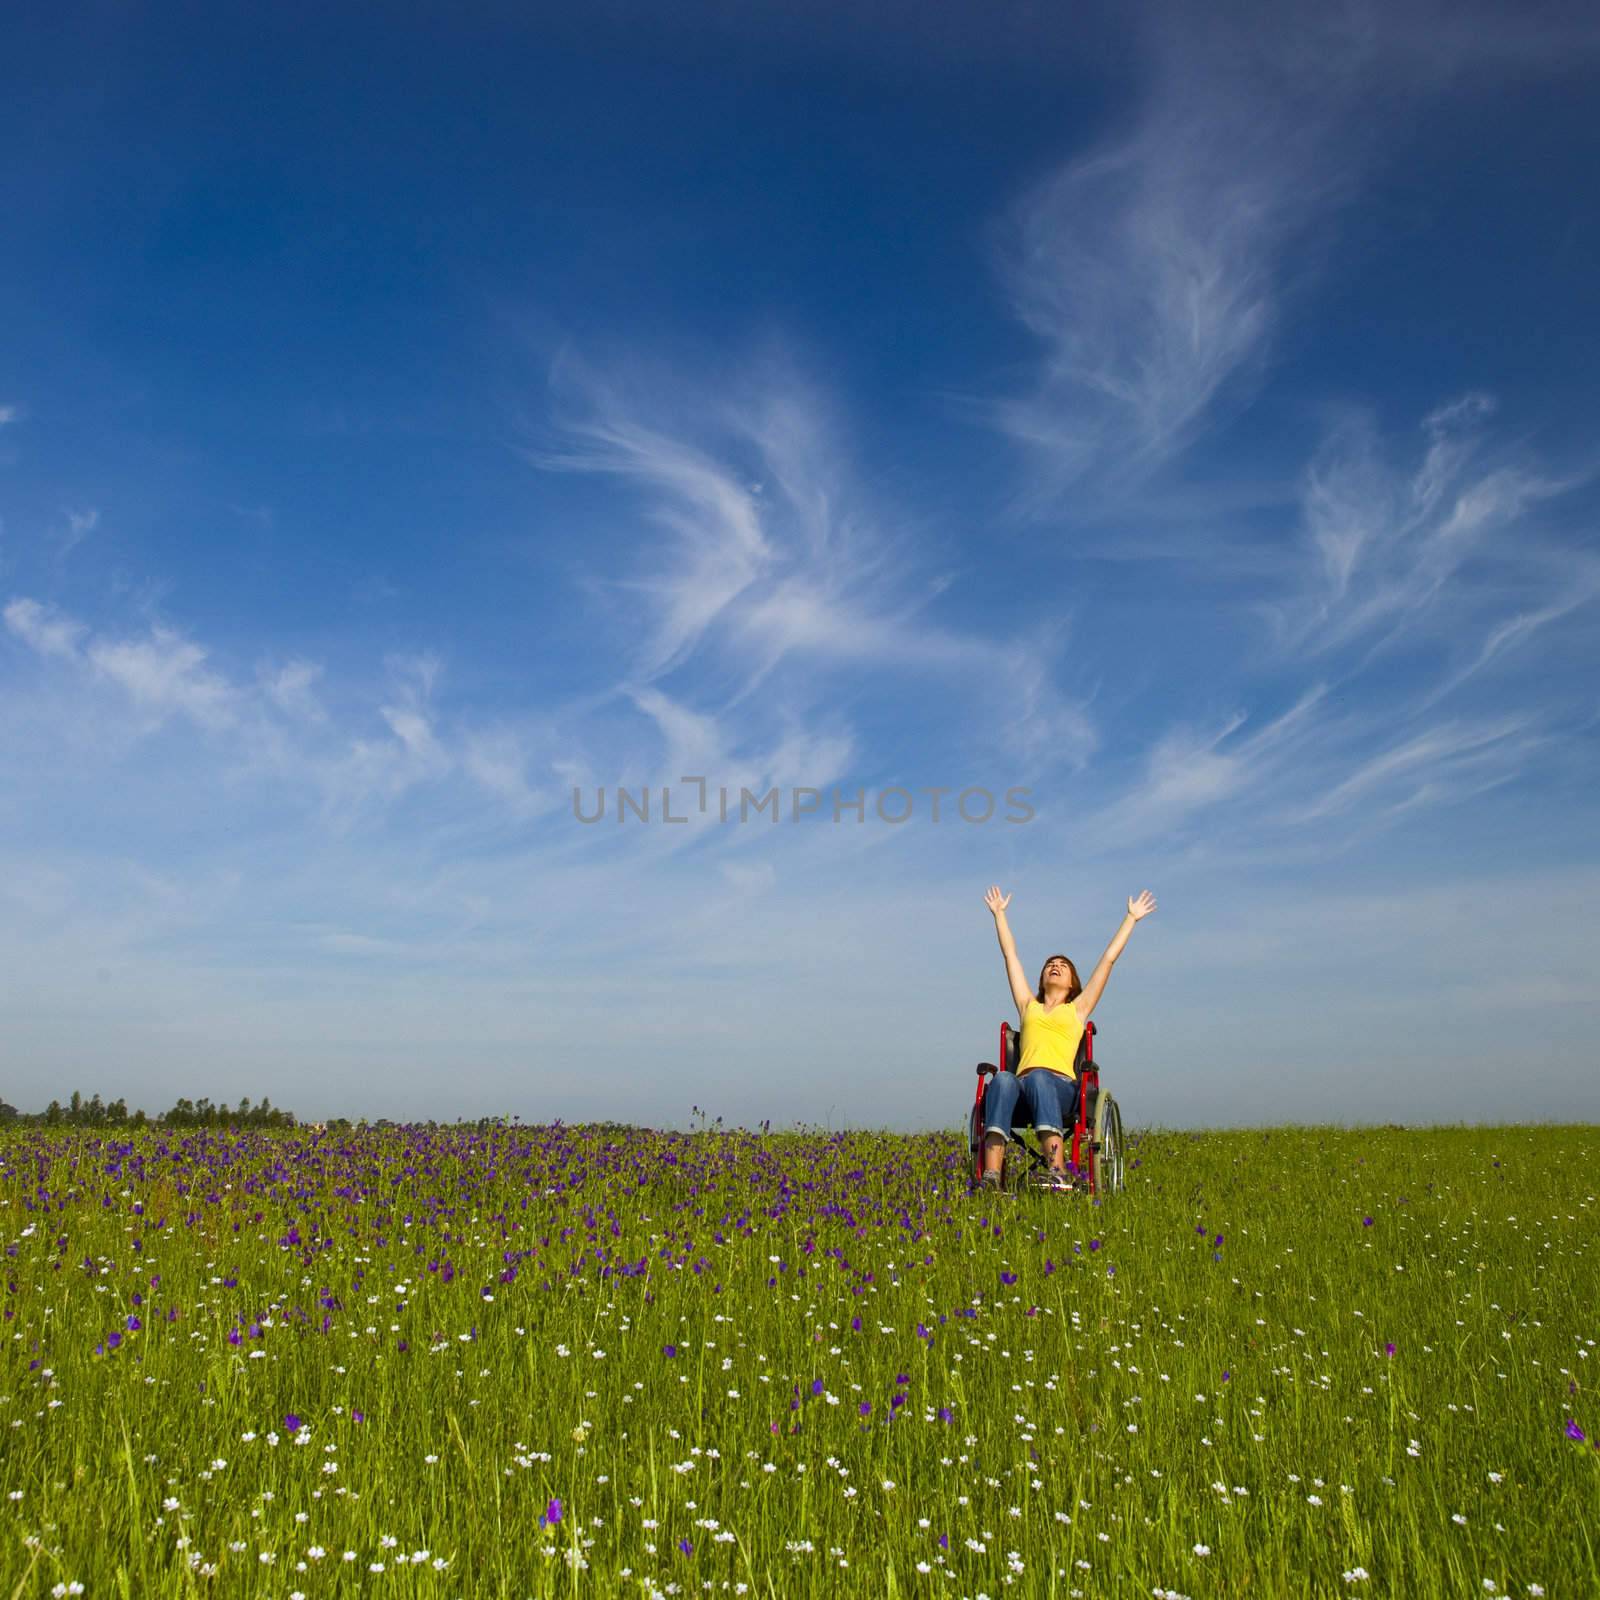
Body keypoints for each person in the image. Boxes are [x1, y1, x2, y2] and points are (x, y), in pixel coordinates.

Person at [978, 884, 1156, 1191]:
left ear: (1072, 982)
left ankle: (1057, 1170)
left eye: (1062, 966)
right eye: (1050, 965)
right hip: (1021, 1088)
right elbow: (1010, 956)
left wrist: (1131, 918)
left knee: (1039, 1078)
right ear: (1043, 978)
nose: (1055, 967)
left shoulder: (1078, 1009)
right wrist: (999, 915)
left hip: (1061, 1088)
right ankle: (992, 1177)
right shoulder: (1028, 1006)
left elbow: (1108, 960)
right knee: (1004, 1079)